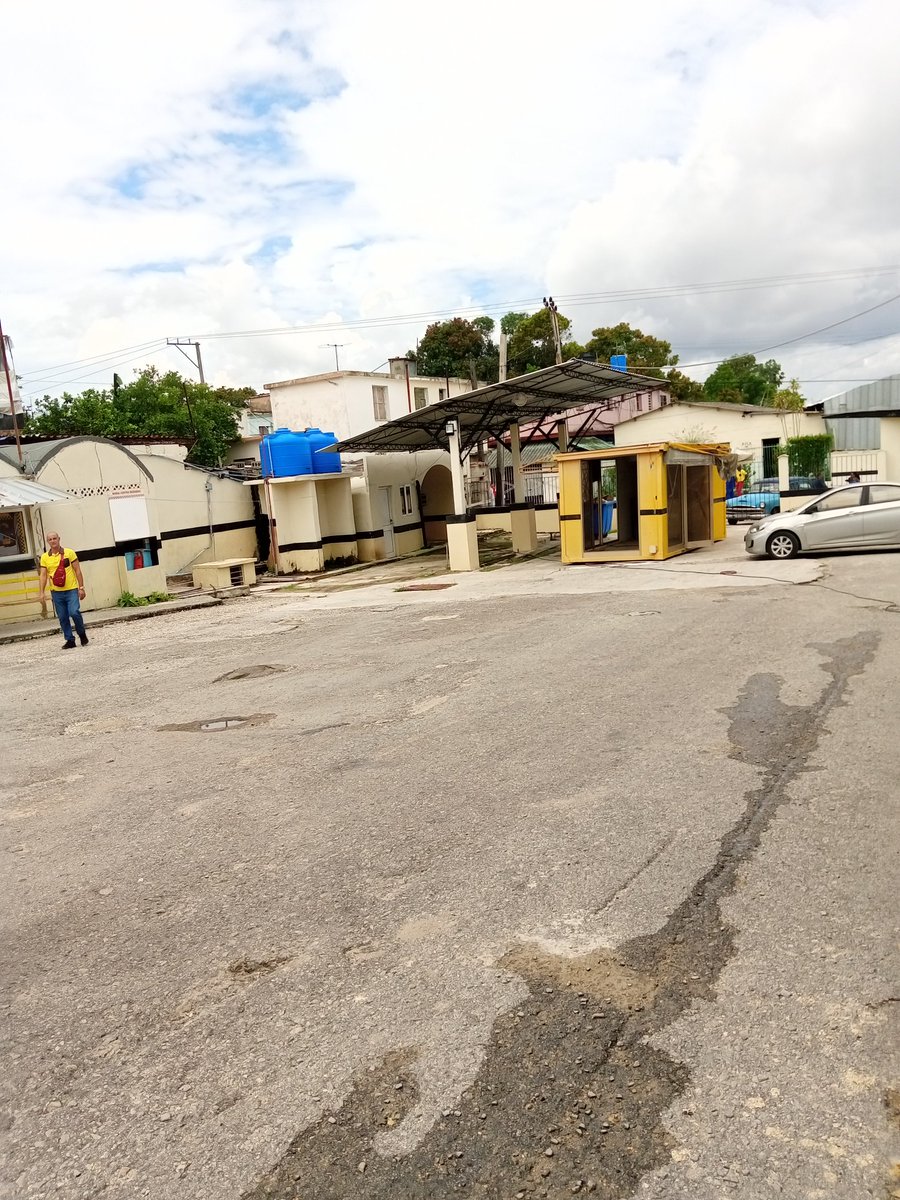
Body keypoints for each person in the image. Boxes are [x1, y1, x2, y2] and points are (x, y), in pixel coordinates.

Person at [39, 531, 89, 649]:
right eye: (50, 539)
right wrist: (41, 592)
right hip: (56, 592)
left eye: (54, 538)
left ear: (59, 539)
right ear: (48, 542)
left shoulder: (69, 553)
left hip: (71, 589)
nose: (53, 541)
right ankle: (69, 640)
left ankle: (81, 633)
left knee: (74, 612)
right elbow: (43, 575)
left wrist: (81, 587)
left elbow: (77, 570)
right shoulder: (45, 557)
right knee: (62, 617)